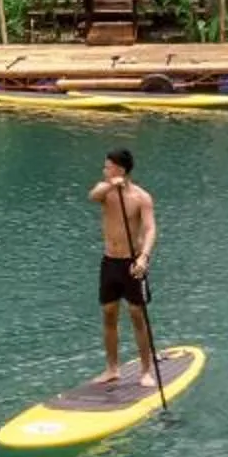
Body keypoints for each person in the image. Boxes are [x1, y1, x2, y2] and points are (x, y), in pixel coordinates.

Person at [90, 147, 158, 385]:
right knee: (109, 313)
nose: (104, 170)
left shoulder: (141, 197)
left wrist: (144, 258)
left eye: (107, 166)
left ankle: (146, 371)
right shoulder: (105, 192)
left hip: (132, 263)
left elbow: (150, 229)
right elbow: (93, 196)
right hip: (110, 261)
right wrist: (111, 184)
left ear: (120, 168)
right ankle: (112, 369)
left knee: (137, 314)